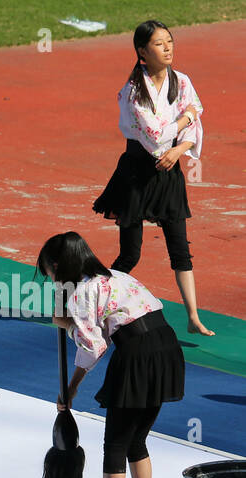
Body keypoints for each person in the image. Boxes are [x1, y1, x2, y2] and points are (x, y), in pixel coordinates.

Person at [36, 231, 184, 478]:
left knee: (115, 442)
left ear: (57, 266)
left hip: (137, 355)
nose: (50, 279)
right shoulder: (117, 276)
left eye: (48, 272)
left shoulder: (82, 292)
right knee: (136, 440)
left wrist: (72, 384)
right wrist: (72, 323)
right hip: (167, 347)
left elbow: (94, 345)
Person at [92, 19, 213, 336]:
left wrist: (180, 150)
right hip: (136, 173)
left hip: (169, 171)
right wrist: (186, 117)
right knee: (131, 253)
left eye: (170, 41)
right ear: (142, 53)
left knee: (180, 250)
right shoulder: (134, 91)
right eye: (160, 43)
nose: (168, 47)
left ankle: (192, 317)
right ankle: (92, 301)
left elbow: (195, 123)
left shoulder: (182, 81)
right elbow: (157, 133)